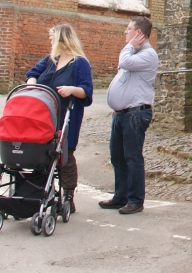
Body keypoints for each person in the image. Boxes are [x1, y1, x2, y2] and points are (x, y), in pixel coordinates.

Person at [26, 23, 93, 214]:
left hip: (66, 115)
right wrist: (32, 86)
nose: (50, 40)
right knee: (40, 152)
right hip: (43, 115)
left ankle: (68, 196)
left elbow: (86, 91)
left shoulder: (79, 63)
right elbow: (32, 74)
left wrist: (72, 90)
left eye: (52, 37)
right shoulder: (50, 60)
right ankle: (39, 191)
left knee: (65, 155)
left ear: (62, 39)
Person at [99, 17, 158, 216]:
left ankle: (135, 199)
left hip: (135, 114)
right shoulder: (134, 53)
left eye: (129, 29)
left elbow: (123, 61)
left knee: (132, 157)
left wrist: (129, 47)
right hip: (121, 114)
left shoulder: (148, 55)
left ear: (138, 33)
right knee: (117, 156)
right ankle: (121, 195)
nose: (125, 32)